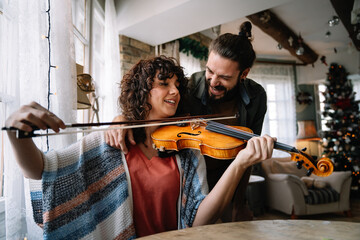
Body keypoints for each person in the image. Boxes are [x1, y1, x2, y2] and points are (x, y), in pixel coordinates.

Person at [5, 56, 274, 239]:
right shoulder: (112, 140)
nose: (175, 92)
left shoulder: (188, 152)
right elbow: (43, 170)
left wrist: (239, 163)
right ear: (142, 90)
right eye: (164, 84)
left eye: (178, 85)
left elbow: (198, 220)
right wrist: (18, 135)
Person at [105, 21, 266, 222]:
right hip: (192, 175)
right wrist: (120, 119)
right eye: (210, 71)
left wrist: (240, 204)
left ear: (244, 74)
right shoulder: (188, 87)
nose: (213, 82)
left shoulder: (257, 97)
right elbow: (152, 109)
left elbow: (248, 151)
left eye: (224, 77)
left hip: (229, 176)